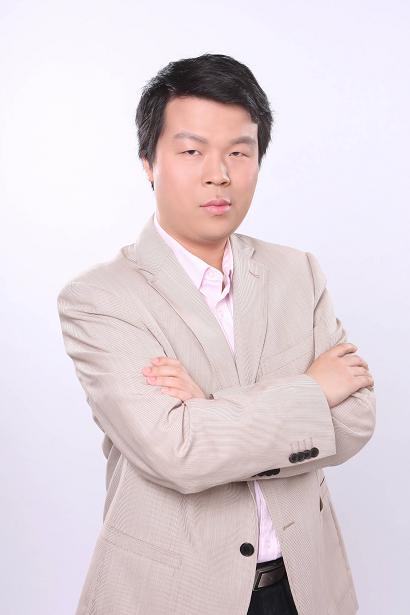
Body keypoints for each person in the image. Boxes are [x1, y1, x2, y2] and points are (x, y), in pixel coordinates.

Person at [57, 53, 376, 615]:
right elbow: (178, 452)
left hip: (305, 586)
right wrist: (311, 390)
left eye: (239, 152)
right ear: (149, 162)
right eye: (192, 151)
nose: (218, 173)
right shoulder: (100, 298)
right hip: (173, 594)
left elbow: (354, 422)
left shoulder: (297, 272)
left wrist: (208, 407)